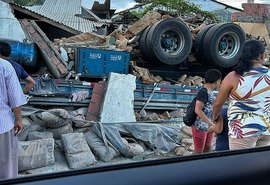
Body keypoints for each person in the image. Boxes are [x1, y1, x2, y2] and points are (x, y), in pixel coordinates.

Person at [213, 39, 270, 150]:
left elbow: (218, 104)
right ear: (262, 56)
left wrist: (214, 118)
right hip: (266, 129)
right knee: (261, 166)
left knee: (241, 165)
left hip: (243, 131)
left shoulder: (234, 77)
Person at [0, 44, 27, 179]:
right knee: (6, 165)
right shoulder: (5, 66)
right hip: (3, 123)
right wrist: (18, 119)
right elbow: (15, 97)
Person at [192, 69, 222, 154]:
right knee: (198, 151)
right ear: (217, 81)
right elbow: (197, 110)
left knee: (207, 149)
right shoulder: (203, 92)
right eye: (220, 81)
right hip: (200, 126)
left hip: (208, 125)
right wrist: (210, 123)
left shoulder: (210, 92)